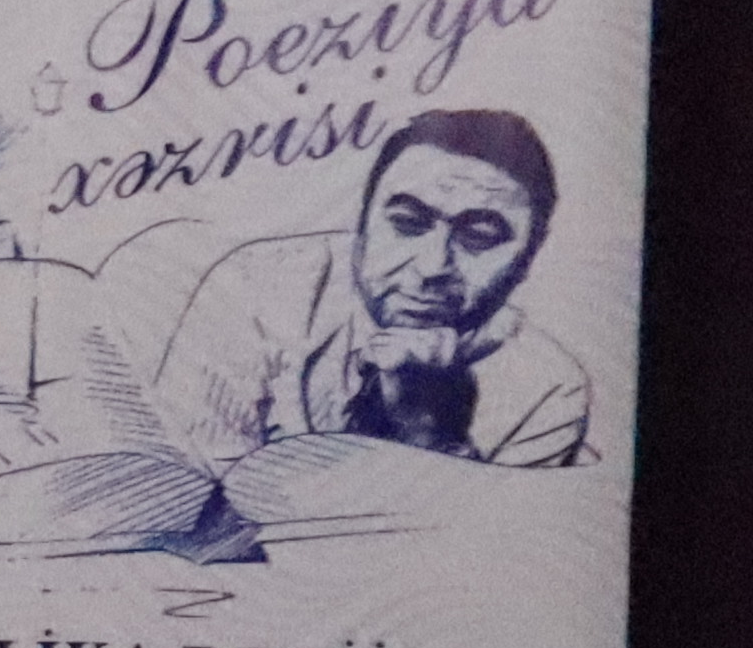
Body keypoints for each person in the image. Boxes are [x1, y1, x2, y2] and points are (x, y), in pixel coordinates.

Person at [152, 107, 598, 469]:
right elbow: (189, 498)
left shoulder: (548, 389)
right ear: (362, 224)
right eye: (407, 223)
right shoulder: (253, 288)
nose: (432, 267)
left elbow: (487, 547)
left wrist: (434, 435)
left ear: (529, 257)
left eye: (479, 238)